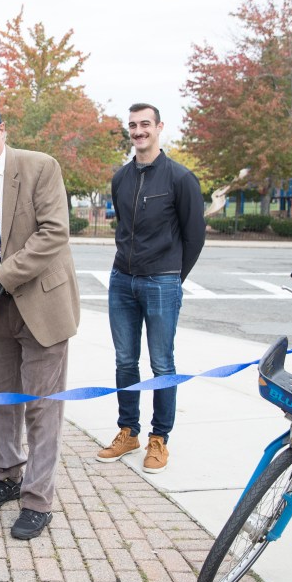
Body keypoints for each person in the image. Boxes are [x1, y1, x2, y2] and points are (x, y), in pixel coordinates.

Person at [0, 99, 80, 540]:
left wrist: (1, 278)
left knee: (43, 409)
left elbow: (53, 233)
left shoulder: (41, 167)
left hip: (40, 305)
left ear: (3, 130)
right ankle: (8, 476)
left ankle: (38, 501)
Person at [96, 103, 205, 474]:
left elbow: (194, 237)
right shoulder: (121, 179)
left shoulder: (180, 178)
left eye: (145, 124)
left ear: (160, 127)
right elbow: (124, 226)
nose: (139, 131)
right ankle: (128, 432)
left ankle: (160, 439)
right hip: (121, 281)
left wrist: (173, 276)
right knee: (125, 361)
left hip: (162, 281)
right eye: (133, 125)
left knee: (162, 364)